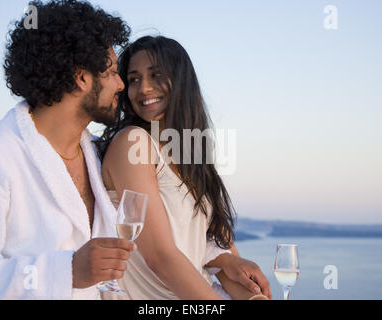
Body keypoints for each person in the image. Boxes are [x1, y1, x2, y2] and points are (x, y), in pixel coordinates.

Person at [0, 0, 137, 299]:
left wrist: (218, 256)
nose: (120, 84)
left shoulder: (98, 153)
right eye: (112, 72)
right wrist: (65, 271)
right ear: (81, 78)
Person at [97, 36, 272, 300]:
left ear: (181, 82)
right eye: (134, 79)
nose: (144, 88)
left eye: (156, 75)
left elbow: (222, 251)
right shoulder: (133, 142)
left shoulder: (191, 153)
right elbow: (160, 257)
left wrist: (252, 296)